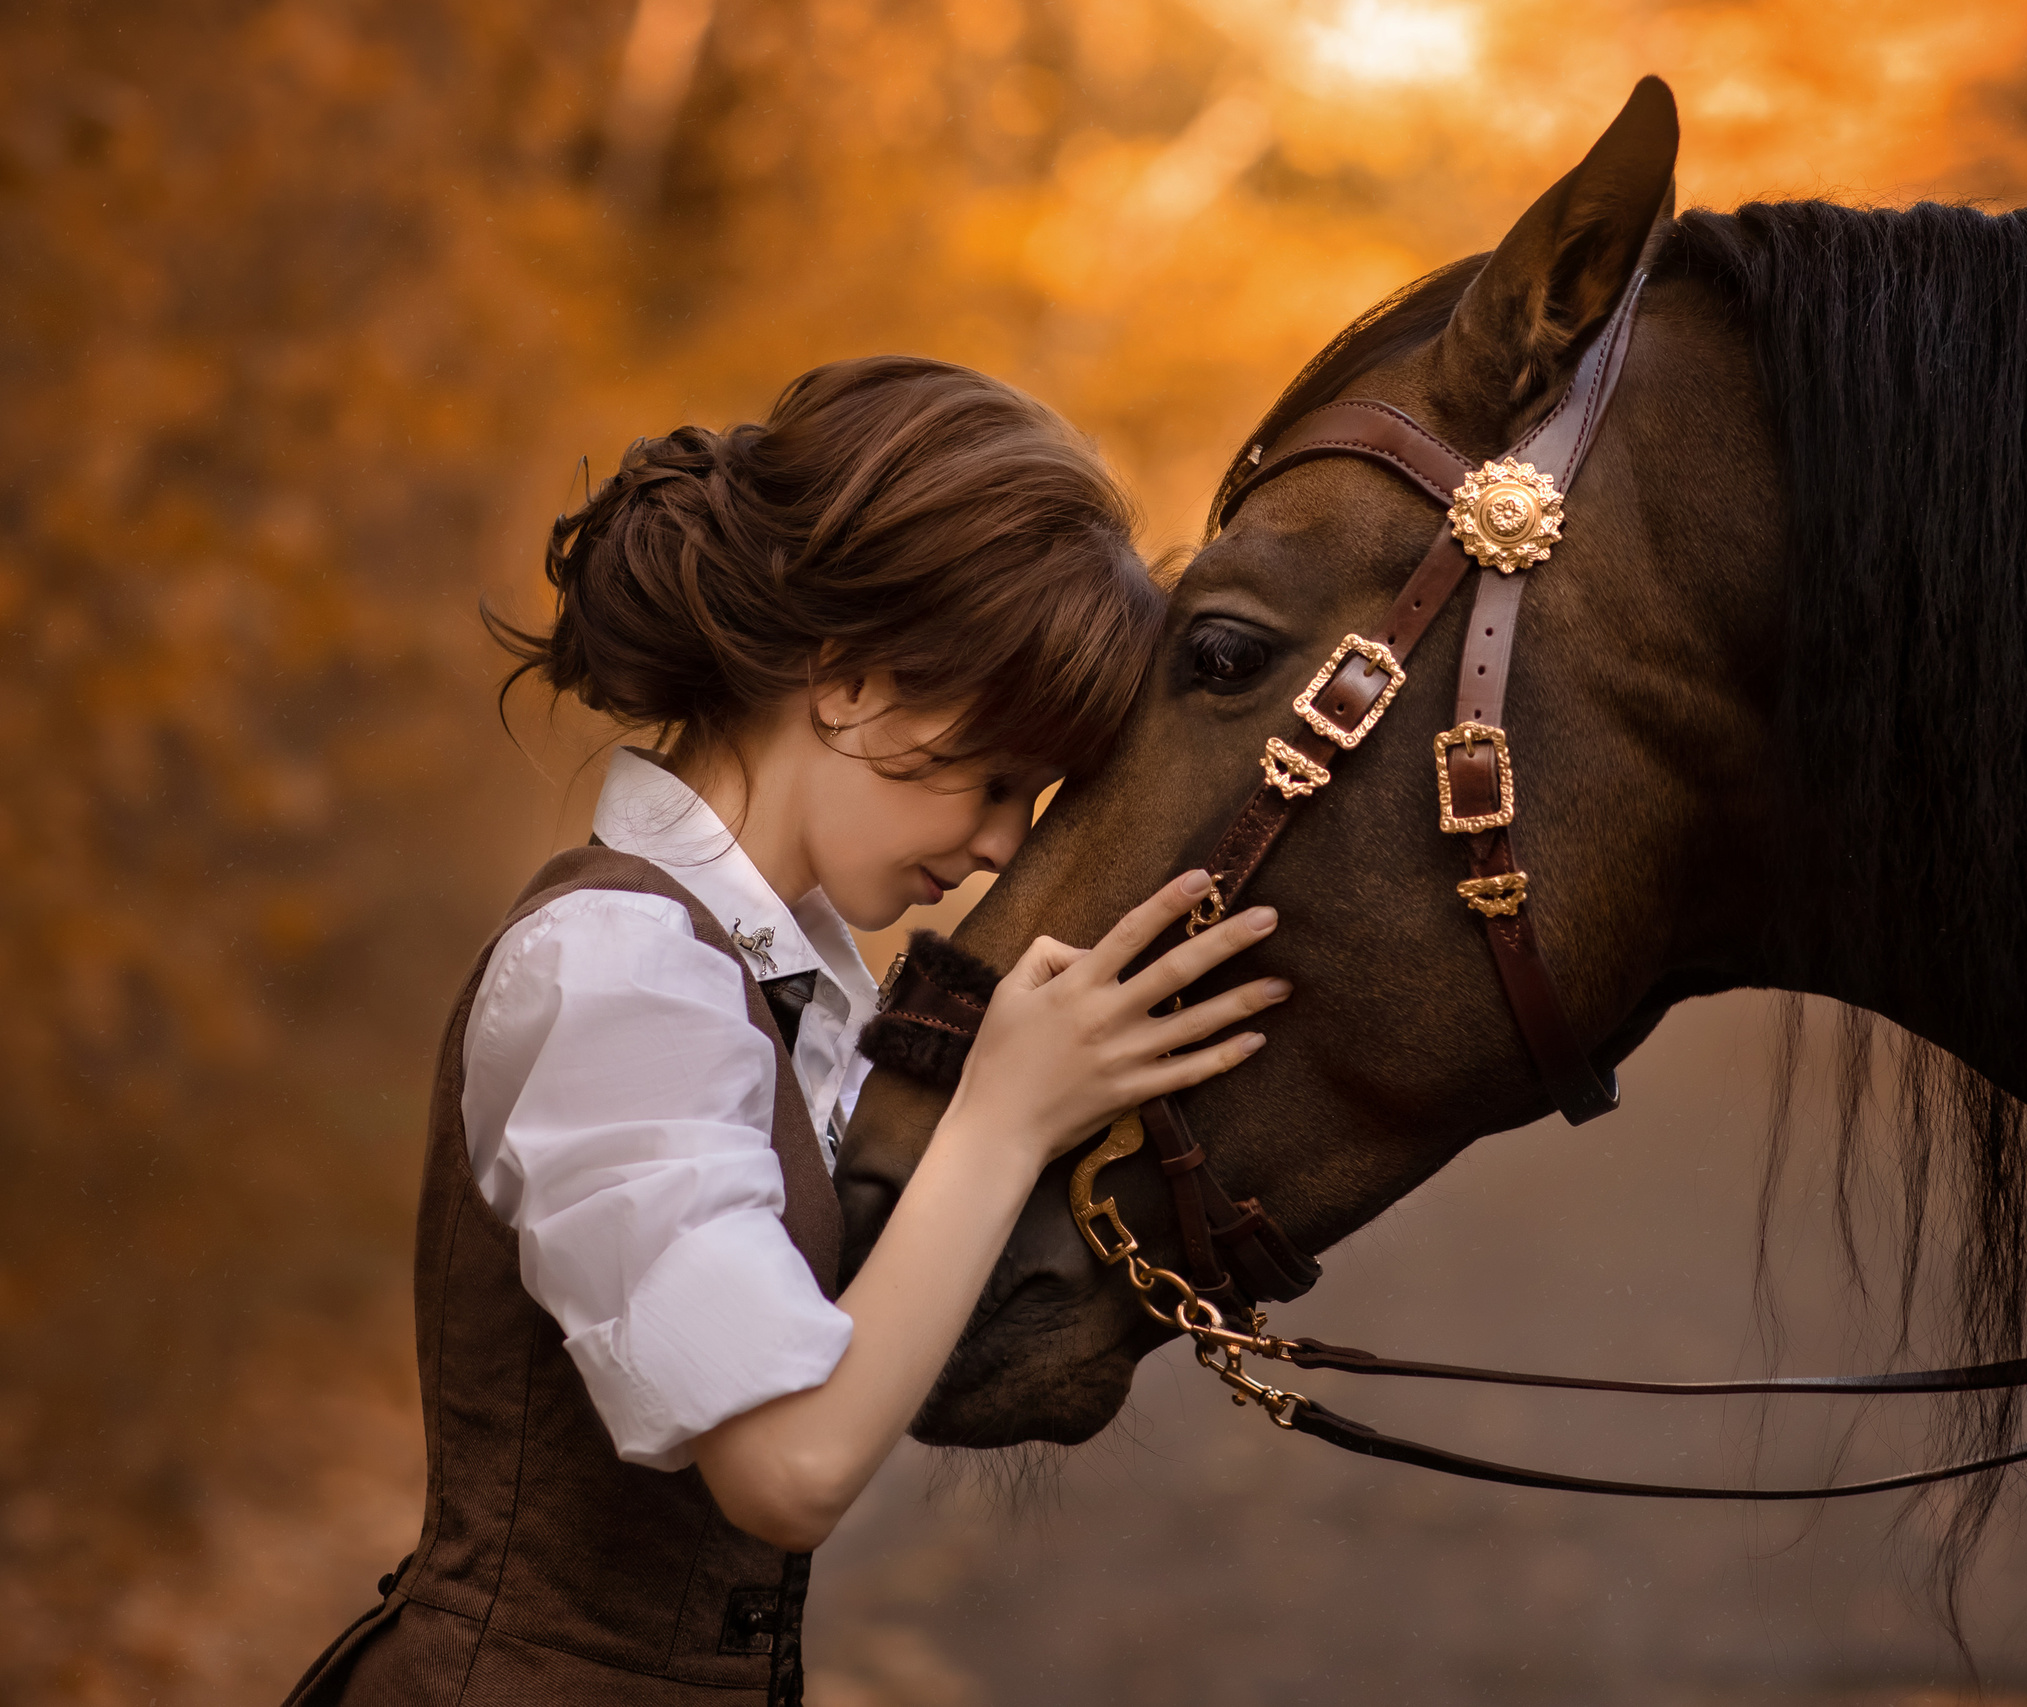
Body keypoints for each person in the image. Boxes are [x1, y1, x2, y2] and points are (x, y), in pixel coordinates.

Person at [283, 357, 1288, 1705]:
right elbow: (788, 1468)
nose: (999, 847)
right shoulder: (618, 973)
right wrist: (1003, 1118)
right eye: (995, 779)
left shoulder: (779, 986)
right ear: (850, 681)